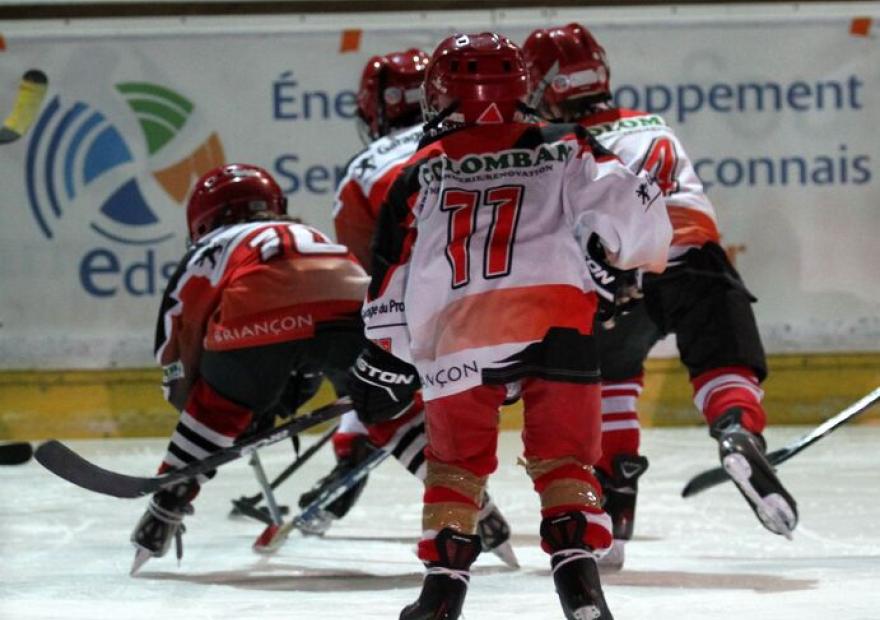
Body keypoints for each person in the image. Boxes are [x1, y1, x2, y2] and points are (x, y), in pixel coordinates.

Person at [349, 32, 671, 620]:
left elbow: (390, 273)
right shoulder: (566, 143)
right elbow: (639, 215)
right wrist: (627, 265)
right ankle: (581, 589)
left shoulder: (418, 168)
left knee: (456, 464)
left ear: (439, 95)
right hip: (556, 321)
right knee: (566, 462)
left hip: (456, 332)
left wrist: (384, 356)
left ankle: (442, 594)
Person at [521, 22, 799, 561]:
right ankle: (737, 429)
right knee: (724, 362)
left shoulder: (556, 146)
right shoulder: (654, 124)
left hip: (616, 273)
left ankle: (615, 503)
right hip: (696, 258)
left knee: (611, 374)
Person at [299, 48, 517, 566]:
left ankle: (365, 452)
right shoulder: (495, 138)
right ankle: (584, 512)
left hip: (432, 313)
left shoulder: (365, 168)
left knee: (374, 379)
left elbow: (364, 275)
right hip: (522, 309)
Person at [129, 163, 370, 574]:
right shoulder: (310, 235)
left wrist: (205, 408)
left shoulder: (211, 246)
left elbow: (174, 337)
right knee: (389, 402)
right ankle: (469, 508)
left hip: (257, 326)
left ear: (203, 220)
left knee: (217, 406)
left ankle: (165, 507)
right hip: (353, 307)